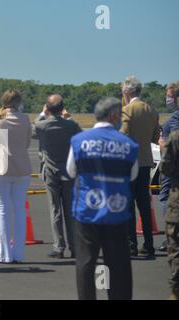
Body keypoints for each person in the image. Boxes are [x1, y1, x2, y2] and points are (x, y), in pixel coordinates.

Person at [67, 97, 139, 300]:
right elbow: (132, 175)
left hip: (87, 212)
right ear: (114, 115)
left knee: (86, 262)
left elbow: (71, 171)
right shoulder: (128, 143)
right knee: (118, 265)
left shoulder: (79, 140)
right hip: (117, 212)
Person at [0, 90, 32, 264]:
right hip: (21, 168)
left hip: (1, 168)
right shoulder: (25, 118)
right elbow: (28, 142)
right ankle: (18, 253)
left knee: (3, 211)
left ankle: (4, 253)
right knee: (20, 211)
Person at [33, 94, 82, 259]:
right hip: (68, 172)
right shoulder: (71, 125)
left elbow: (32, 130)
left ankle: (58, 246)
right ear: (62, 109)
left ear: (47, 108)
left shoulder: (42, 125)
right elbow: (81, 135)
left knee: (55, 209)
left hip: (50, 171)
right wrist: (68, 117)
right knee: (70, 210)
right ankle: (74, 246)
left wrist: (42, 114)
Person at [120, 76, 160, 257]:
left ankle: (131, 245)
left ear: (127, 92)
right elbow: (154, 137)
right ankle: (149, 243)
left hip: (129, 162)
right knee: (144, 204)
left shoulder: (127, 110)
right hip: (145, 161)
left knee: (128, 205)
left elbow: (123, 135)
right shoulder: (151, 109)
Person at [158, 81, 179, 252]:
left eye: (171, 97)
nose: (168, 100)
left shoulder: (174, 119)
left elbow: (168, 145)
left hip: (173, 167)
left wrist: (162, 143)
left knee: (164, 195)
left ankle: (169, 236)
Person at [160, 130, 179, 300]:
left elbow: (165, 168)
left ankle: (176, 290)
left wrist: (163, 148)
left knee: (175, 248)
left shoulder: (175, 137)